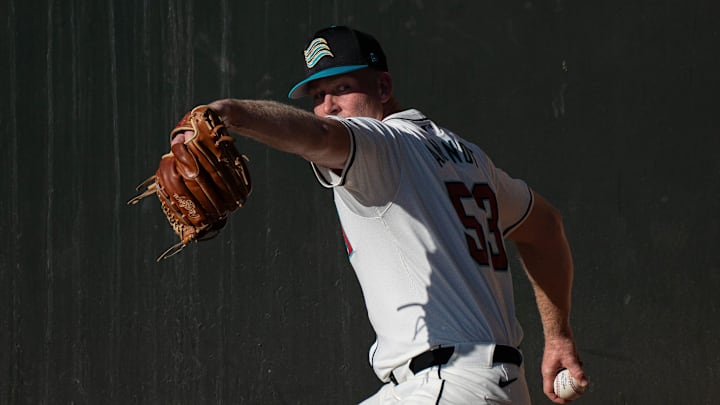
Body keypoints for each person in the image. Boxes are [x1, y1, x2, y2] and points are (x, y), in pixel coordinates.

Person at [198, 25, 587, 404]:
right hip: (488, 384)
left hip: (446, 383)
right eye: (317, 95)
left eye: (342, 89)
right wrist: (559, 336)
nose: (329, 106)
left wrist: (228, 113)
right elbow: (545, 227)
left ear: (383, 88)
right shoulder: (467, 157)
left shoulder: (381, 144)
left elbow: (318, 135)